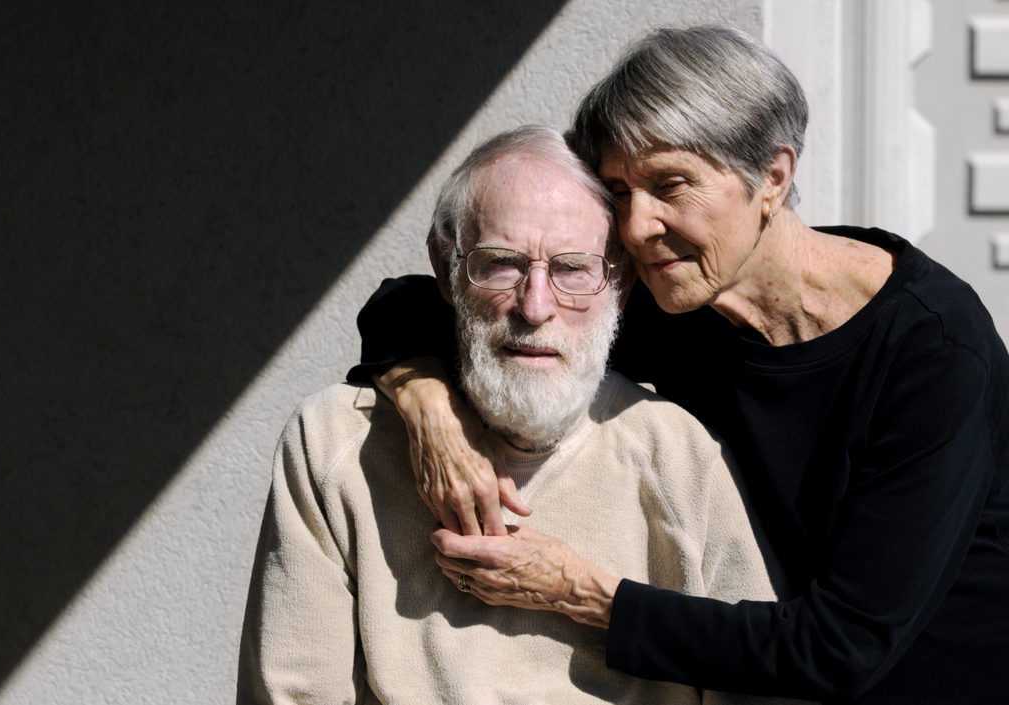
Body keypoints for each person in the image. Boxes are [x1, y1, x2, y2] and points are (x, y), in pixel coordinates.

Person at [347, 25, 1009, 705]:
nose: (636, 228)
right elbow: (412, 307)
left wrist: (577, 590)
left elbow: (839, 646)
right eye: (620, 192)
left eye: (670, 184)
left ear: (773, 178)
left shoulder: (934, 353)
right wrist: (430, 409)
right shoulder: (677, 300)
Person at [238, 125, 807, 704]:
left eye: (572, 270)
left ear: (621, 282)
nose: (536, 308)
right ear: (446, 267)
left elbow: (761, 686)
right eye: (502, 264)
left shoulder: (679, 454)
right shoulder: (335, 442)